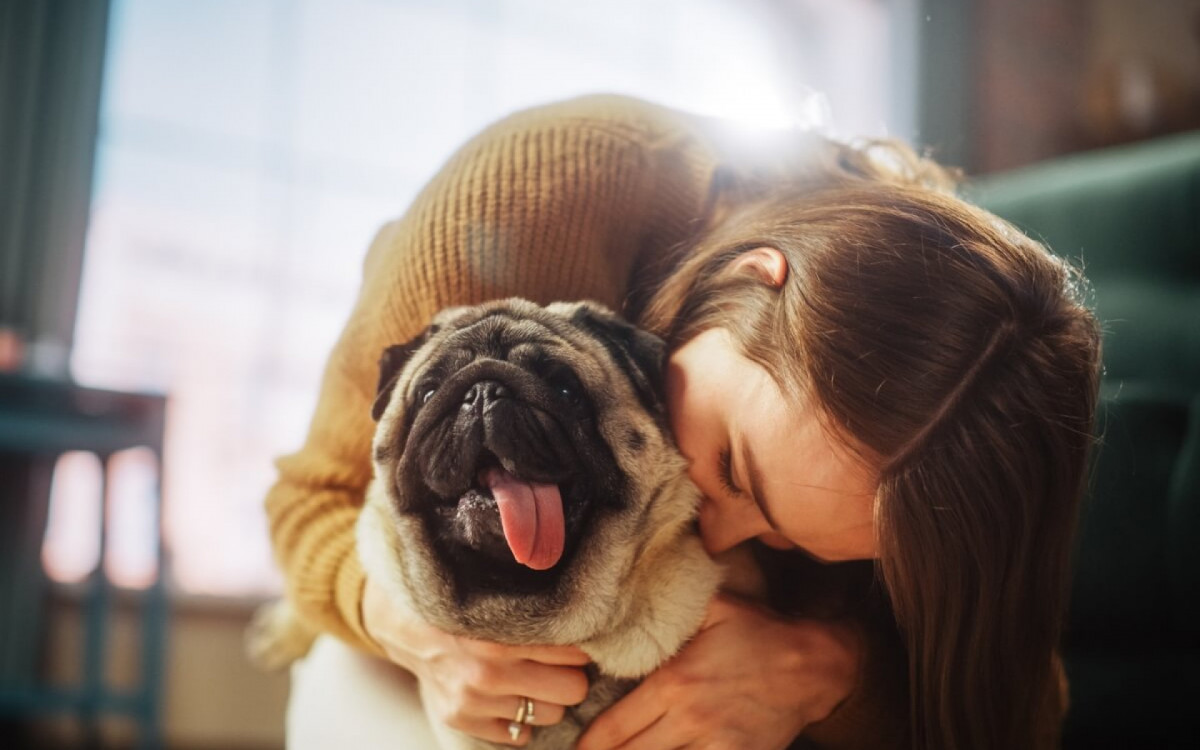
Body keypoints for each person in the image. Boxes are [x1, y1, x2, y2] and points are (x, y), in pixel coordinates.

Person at [265, 94, 1101, 750]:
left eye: (797, 543)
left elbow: (1014, 708)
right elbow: (310, 498)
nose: (725, 532)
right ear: (753, 277)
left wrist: (829, 672)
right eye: (737, 467)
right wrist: (411, 630)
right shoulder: (529, 201)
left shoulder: (953, 427)